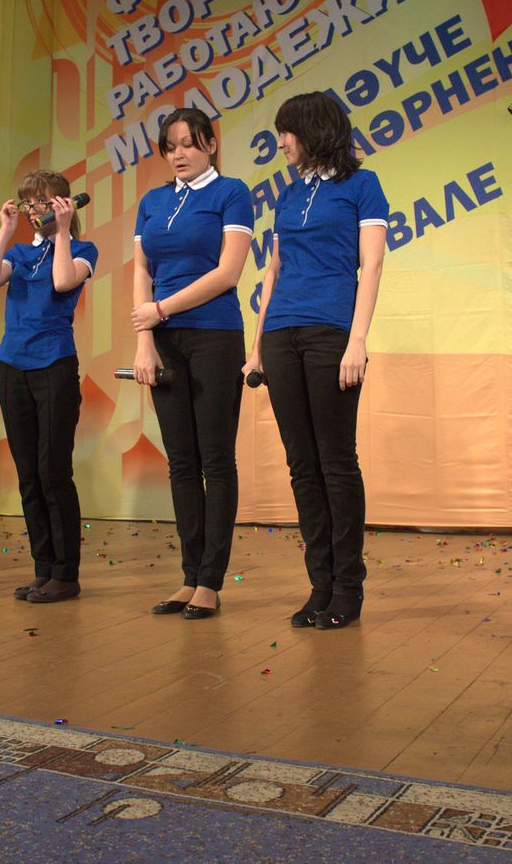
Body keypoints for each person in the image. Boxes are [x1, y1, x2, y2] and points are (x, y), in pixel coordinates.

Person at [242, 92, 388, 630]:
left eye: (287, 132)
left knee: (336, 462)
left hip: (331, 332)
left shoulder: (362, 186)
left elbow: (372, 267)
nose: (281, 142)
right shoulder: (288, 193)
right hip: (281, 333)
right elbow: (273, 272)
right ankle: (319, 586)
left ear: (313, 131)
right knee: (301, 465)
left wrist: (357, 341)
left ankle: (348, 587)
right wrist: (257, 346)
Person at [131, 108, 252, 620]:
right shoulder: (152, 202)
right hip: (163, 339)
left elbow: (228, 273)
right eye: (170, 146)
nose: (178, 154)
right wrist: (145, 339)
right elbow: (142, 270)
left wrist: (161, 309)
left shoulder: (232, 192)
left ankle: (210, 582)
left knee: (215, 460)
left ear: (210, 144)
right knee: (180, 461)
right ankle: (188, 576)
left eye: (189, 143)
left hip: (214, 335)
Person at [0, 170, 98, 604]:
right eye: (28, 202)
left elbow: (63, 281)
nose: (34, 210)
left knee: (52, 471)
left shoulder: (82, 249)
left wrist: (62, 231)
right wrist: (5, 229)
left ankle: (66, 573)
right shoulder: (20, 252)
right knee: (28, 473)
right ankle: (43, 567)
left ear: (63, 203)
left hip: (54, 365)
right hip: (12, 365)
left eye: (43, 202)